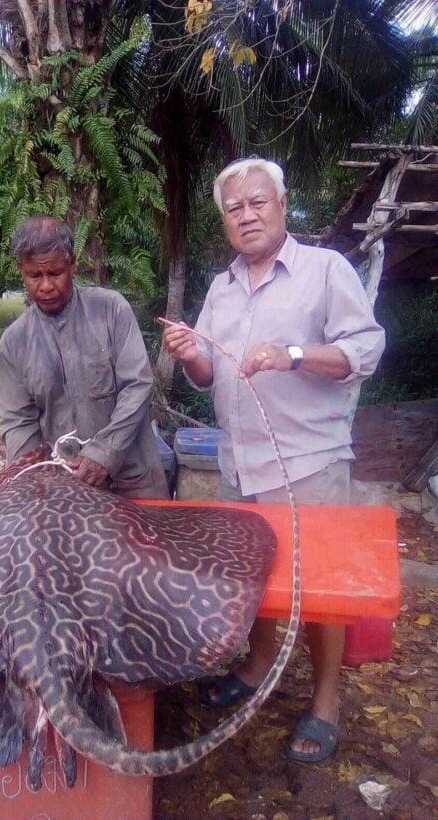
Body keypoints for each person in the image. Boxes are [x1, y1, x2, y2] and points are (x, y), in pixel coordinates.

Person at [162, 158, 385, 763]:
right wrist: (187, 353)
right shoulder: (222, 287)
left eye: (258, 202)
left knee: (321, 591)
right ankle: (259, 667)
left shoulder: (325, 270)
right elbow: (208, 375)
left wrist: (292, 353)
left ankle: (326, 701)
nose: (247, 215)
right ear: (225, 221)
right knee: (252, 579)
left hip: (309, 461)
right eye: (234, 208)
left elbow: (364, 349)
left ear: (282, 207)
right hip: (241, 461)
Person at [0, 215, 169, 500]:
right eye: (35, 276)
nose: (46, 285)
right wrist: (34, 483)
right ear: (21, 271)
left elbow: (137, 386)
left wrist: (105, 454)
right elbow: (17, 422)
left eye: (55, 273)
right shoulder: (15, 342)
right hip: (63, 491)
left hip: (133, 482)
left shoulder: (111, 310)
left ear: (72, 264)